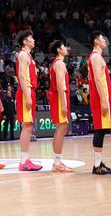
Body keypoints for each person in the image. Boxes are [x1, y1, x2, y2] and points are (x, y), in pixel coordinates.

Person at [88, 31, 111, 175]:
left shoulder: (97, 57)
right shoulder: (95, 57)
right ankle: (97, 165)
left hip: (102, 97)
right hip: (100, 98)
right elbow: (98, 80)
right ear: (96, 41)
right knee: (99, 129)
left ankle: (99, 163)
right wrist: (104, 100)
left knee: (102, 129)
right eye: (101, 38)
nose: (104, 40)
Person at [15, 29, 42, 171]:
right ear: (25, 41)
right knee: (27, 125)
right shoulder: (23, 55)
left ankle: (25, 159)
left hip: (29, 90)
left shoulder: (28, 56)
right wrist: (27, 95)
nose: (34, 40)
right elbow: (21, 76)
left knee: (29, 125)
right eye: (31, 38)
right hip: (26, 91)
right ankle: (24, 161)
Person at [47, 40, 73, 173]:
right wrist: (63, 103)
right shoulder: (59, 64)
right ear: (58, 49)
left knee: (62, 128)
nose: (66, 48)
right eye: (63, 46)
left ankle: (58, 160)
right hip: (59, 98)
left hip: (60, 97)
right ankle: (56, 162)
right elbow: (60, 85)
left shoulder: (58, 63)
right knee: (60, 128)